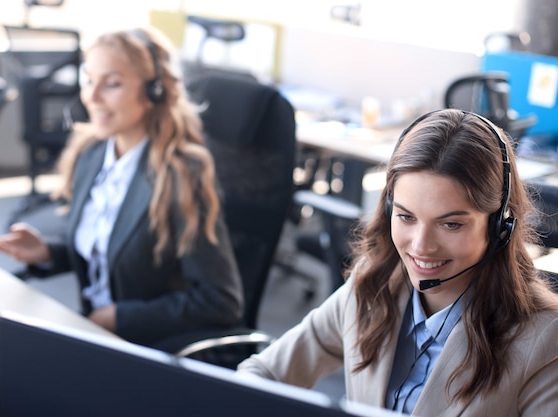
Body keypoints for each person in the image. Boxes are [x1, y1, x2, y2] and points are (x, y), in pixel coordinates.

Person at [237, 109, 558, 416]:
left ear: (500, 227)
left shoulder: (543, 339)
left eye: (451, 224)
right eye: (406, 216)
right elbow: (263, 373)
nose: (421, 246)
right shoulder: (372, 287)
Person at [0, 27, 243, 351]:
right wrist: (49, 252)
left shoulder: (179, 175)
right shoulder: (91, 153)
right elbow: (112, 250)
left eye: (112, 84)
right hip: (96, 333)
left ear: (155, 92)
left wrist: (118, 317)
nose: (91, 96)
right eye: (89, 79)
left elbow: (222, 301)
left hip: (148, 349)